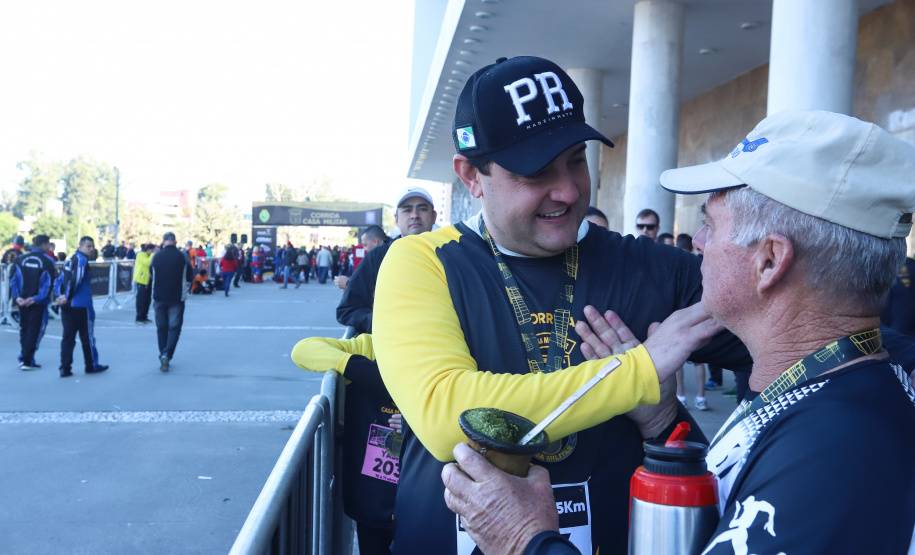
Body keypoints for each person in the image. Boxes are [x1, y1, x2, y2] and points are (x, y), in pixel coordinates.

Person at [441, 110, 915, 554]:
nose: (698, 243)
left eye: (710, 225)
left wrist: (525, 539)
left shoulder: (835, 448)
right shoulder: (833, 392)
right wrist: (662, 420)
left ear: (769, 261)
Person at [372, 55, 751, 554]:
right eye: (536, 172)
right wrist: (637, 371)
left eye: (576, 159)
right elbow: (449, 416)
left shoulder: (651, 269)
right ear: (471, 176)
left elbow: (814, 347)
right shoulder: (423, 262)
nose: (569, 191)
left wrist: (667, 420)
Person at [337, 186, 436, 334]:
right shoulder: (377, 257)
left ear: (434, 216)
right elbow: (348, 310)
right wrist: (385, 324)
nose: (414, 215)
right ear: (396, 219)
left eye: (422, 209)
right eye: (407, 210)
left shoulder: (449, 256)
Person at [54, 236, 108, 377]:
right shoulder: (81, 260)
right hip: (81, 305)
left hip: (67, 306)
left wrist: (59, 296)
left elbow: (58, 280)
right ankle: (91, 365)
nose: (91, 249)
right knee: (87, 337)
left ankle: (65, 367)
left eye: (92, 246)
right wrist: (67, 295)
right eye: (88, 246)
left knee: (68, 337)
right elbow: (76, 279)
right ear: (80, 246)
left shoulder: (68, 261)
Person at [10, 235, 56, 370]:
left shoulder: (20, 259)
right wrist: (35, 298)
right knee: (36, 330)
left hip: (22, 301)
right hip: (38, 302)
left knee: (24, 328)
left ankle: (24, 356)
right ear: (44, 244)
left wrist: (17, 297)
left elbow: (13, 279)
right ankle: (27, 359)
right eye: (48, 244)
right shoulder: (48, 261)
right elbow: (48, 283)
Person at [150, 232, 194, 372]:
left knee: (161, 327)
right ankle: (167, 354)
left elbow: (151, 273)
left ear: (163, 243)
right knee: (174, 328)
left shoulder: (156, 256)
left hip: (159, 296)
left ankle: (163, 352)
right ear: (175, 242)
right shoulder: (182, 256)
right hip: (177, 296)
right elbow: (190, 274)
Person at [133, 243, 155, 324]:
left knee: (147, 300)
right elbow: (147, 262)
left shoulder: (148, 256)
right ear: (149, 250)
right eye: (152, 250)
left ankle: (144, 316)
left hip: (148, 280)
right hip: (141, 280)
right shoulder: (140, 255)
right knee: (141, 300)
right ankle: (139, 318)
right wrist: (152, 254)